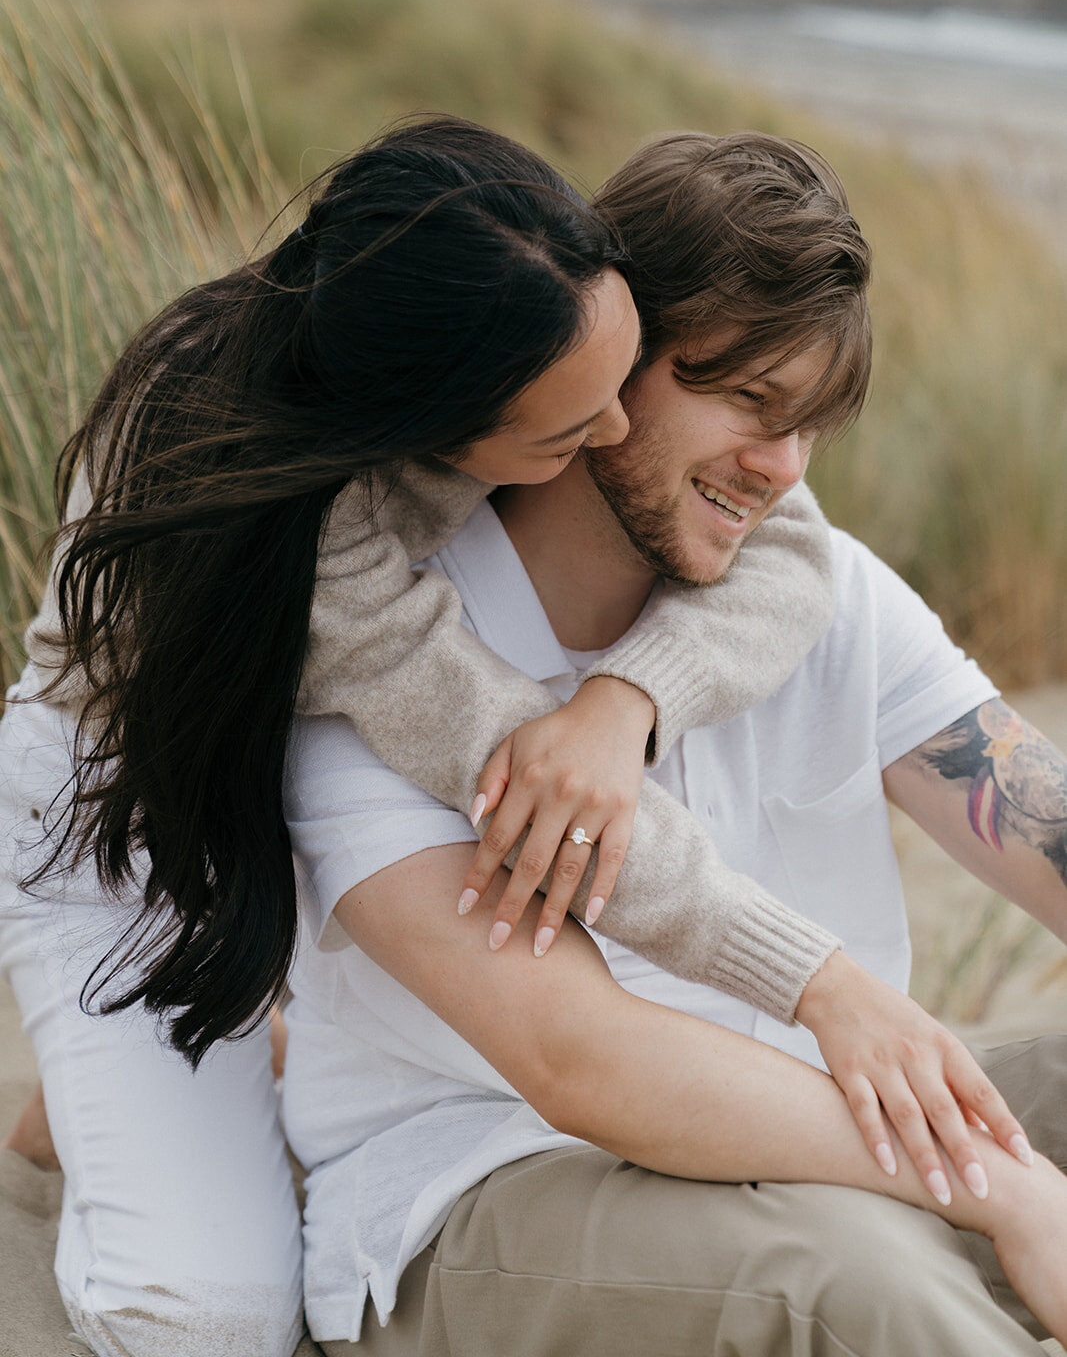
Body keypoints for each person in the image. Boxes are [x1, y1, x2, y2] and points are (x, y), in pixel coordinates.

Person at [0, 115, 867, 1356]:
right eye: (572, 436)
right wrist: (808, 976)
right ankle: (108, 1072)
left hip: (286, 811)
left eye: (623, 392)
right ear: (437, 427)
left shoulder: (534, 292)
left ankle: (160, 1071)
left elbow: (788, 537)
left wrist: (626, 699)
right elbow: (532, 783)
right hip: (127, 829)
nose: (614, 438)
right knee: (209, 1318)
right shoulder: (320, 546)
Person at [280, 131, 1067, 1355]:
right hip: (492, 1185)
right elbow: (581, 1062)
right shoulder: (387, 661)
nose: (778, 469)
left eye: (806, 424)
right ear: (599, 361)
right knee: (853, 1281)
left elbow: (1037, 821)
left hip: (822, 1132)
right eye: (747, 400)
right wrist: (999, 1185)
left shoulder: (819, 593)